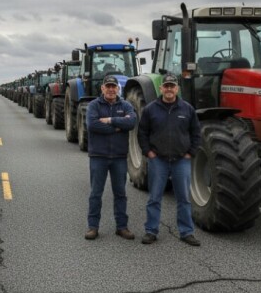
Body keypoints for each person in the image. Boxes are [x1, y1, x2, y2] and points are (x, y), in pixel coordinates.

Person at [137, 73, 202, 246]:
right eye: (166, 86)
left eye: (172, 86)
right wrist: (148, 152)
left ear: (177, 88)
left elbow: (196, 133)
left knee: (184, 198)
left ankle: (186, 232)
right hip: (158, 160)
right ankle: (151, 230)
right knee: (154, 198)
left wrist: (190, 153)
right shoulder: (150, 109)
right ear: (161, 88)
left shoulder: (187, 109)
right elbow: (142, 133)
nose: (169, 89)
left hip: (181, 160)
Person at [85, 75, 137, 240]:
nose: (111, 89)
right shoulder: (94, 105)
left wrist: (110, 120)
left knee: (120, 193)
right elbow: (92, 124)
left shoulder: (126, 105)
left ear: (118, 88)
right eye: (108, 86)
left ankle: (122, 227)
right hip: (98, 156)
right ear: (102, 88)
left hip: (119, 157)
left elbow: (131, 122)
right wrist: (117, 128)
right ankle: (93, 227)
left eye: (113, 87)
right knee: (96, 193)